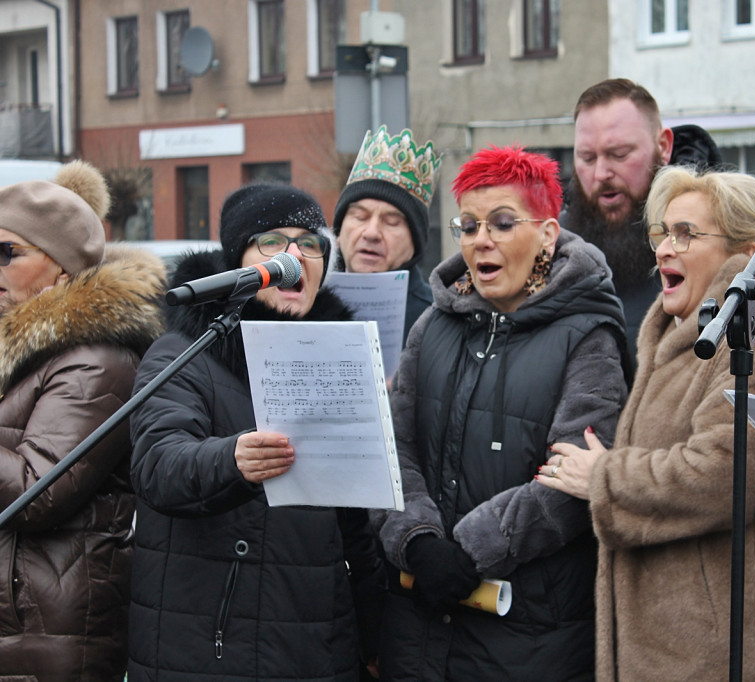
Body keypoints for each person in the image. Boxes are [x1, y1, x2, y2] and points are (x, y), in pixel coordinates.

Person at [539, 166, 755, 680]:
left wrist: (605, 478)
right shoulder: (681, 335)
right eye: (662, 232)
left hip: (730, 649)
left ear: (747, 254)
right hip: (679, 646)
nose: (663, 248)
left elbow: (727, 473)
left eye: (686, 234)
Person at [373, 146, 629, 681]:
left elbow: (576, 474)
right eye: (468, 225)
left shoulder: (588, 335)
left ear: (548, 234)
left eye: (503, 223)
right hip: (419, 627)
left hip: (530, 635)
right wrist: (418, 542)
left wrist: (469, 551)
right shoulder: (433, 328)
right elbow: (392, 448)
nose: (481, 240)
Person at [128, 183, 384, 681]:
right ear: (237, 261)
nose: (295, 255)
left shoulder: (338, 358)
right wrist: (232, 460)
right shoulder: (183, 354)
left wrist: (372, 631)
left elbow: (355, 525)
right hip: (213, 651)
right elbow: (158, 464)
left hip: (318, 648)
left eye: (310, 244)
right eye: (272, 241)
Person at [0, 161, 165, 680]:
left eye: (8, 253)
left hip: (48, 632)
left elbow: (36, 491)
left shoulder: (99, 359)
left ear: (64, 269)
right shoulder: (16, 351)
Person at [564, 78, 722, 360]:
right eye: (587, 158)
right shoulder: (556, 247)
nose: (601, 173)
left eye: (619, 154)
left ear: (663, 145)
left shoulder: (718, 240)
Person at [333, 125, 443, 343]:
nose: (372, 233)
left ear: (416, 243)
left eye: (392, 222)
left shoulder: (439, 321)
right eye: (359, 217)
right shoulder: (307, 304)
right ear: (337, 231)